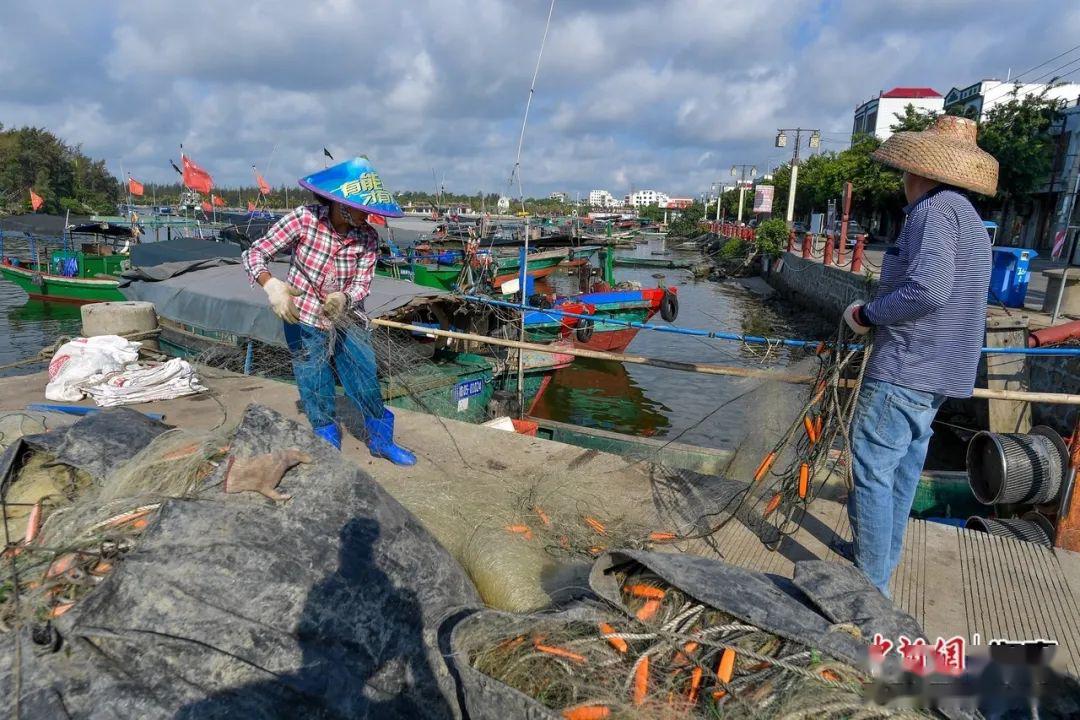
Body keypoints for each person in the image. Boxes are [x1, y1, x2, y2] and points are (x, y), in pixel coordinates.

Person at [842, 116, 999, 595]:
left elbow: (928, 291)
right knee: (904, 467)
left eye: (905, 173)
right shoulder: (968, 218)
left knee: (871, 467)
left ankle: (871, 588)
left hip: (907, 366)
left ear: (921, 172)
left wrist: (866, 314)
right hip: (940, 372)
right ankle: (882, 559)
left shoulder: (932, 212)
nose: (903, 182)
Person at [242, 156, 416, 465]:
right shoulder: (304, 220)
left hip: (346, 316)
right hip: (302, 313)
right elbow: (255, 253)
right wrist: (272, 286)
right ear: (341, 203)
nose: (368, 216)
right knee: (314, 378)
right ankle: (326, 436)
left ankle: (381, 440)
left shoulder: (368, 238)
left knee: (364, 374)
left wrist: (345, 298)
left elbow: (363, 284)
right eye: (363, 209)